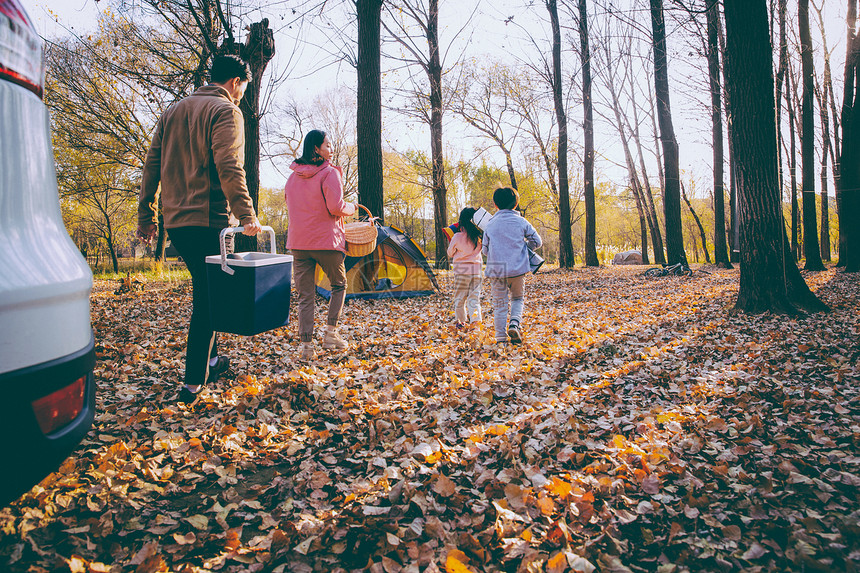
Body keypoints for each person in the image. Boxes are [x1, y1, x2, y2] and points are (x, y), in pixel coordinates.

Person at [137, 54, 262, 405]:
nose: (241, 95)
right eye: (243, 88)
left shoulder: (172, 111)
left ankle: (212, 359)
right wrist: (246, 215)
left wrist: (146, 215)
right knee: (208, 302)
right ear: (237, 81)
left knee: (207, 289)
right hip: (209, 221)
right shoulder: (226, 111)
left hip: (176, 222)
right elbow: (229, 165)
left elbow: (152, 165)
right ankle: (192, 383)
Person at [284, 130, 357, 360]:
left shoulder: (292, 177)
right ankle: (330, 334)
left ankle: (306, 347)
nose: (331, 148)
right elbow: (336, 207)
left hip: (299, 243)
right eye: (327, 145)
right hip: (326, 243)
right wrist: (352, 207)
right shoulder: (329, 173)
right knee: (339, 285)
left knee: (306, 295)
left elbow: (290, 204)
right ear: (316, 149)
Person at [482, 187, 542, 344]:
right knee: (517, 298)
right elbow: (537, 241)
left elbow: (485, 250)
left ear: (495, 205)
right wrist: (522, 249)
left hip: (496, 271)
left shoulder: (490, 224)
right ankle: (515, 324)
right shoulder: (521, 221)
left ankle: (500, 339)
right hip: (517, 270)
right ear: (516, 204)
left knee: (500, 304)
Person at [446, 207, 483, 327]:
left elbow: (450, 253)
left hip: (461, 272)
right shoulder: (479, 238)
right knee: (474, 299)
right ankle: (475, 321)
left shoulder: (457, 237)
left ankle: (461, 321)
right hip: (476, 272)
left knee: (460, 298)